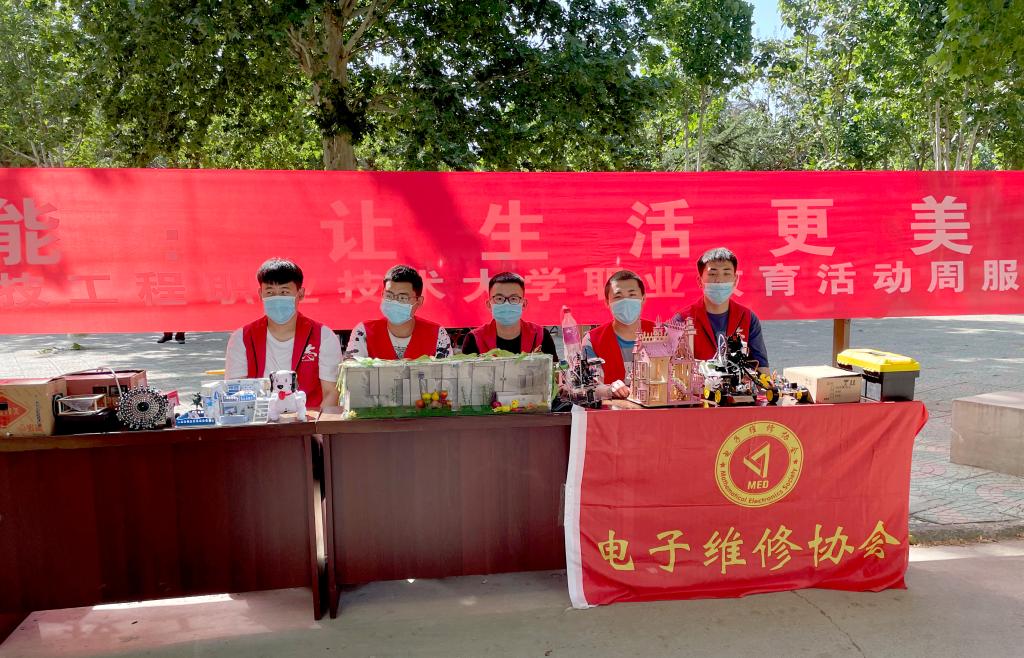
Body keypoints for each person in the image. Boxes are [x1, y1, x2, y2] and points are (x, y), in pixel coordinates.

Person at [224, 258, 341, 409]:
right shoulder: (241, 338)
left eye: (284, 292)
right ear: (260, 294)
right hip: (259, 420)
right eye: (270, 292)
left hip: (309, 420)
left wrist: (312, 424)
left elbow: (331, 392)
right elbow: (235, 391)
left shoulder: (323, 336)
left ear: (301, 293)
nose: (277, 298)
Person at [671, 247, 769, 374]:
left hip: (738, 386)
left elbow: (762, 368)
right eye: (712, 274)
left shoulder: (748, 318)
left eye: (726, 273)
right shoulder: (681, 320)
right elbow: (669, 367)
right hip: (696, 386)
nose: (719, 280)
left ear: (735, 280)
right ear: (700, 281)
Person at [346, 264, 453, 360]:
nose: (394, 302)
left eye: (402, 298)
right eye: (389, 296)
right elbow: (351, 371)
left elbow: (448, 373)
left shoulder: (437, 334)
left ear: (419, 301)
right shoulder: (364, 332)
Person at [582, 270, 655, 400]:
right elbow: (589, 384)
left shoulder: (663, 333)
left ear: (643, 298)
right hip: (613, 411)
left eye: (632, 295)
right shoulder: (592, 340)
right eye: (618, 296)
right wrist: (609, 390)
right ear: (607, 302)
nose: (626, 301)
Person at [461, 271, 559, 359]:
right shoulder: (474, 339)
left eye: (513, 299)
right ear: (489, 304)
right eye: (499, 299)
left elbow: (554, 371)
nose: (506, 304)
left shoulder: (540, 336)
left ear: (524, 304)